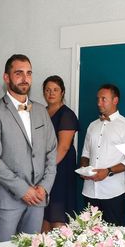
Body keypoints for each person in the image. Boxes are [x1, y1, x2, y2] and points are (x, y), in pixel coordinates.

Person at [0, 54, 57, 242]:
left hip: (38, 199)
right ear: (6, 77)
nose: (25, 78)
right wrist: (23, 189)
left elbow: (51, 151)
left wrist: (44, 187)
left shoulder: (41, 111)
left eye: (29, 73)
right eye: (19, 73)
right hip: (7, 199)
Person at [79, 83, 125, 226]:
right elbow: (86, 152)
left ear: (115, 100)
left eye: (103, 99)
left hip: (114, 192)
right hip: (89, 191)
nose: (99, 103)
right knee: (87, 236)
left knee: (114, 237)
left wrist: (108, 171)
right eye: (98, 99)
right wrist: (83, 169)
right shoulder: (92, 125)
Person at [42, 75, 79, 232]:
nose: (51, 93)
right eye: (48, 90)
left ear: (62, 92)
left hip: (60, 167)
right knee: (44, 213)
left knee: (58, 211)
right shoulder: (40, 112)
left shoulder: (67, 115)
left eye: (55, 90)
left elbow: (63, 147)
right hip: (45, 166)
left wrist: (46, 169)